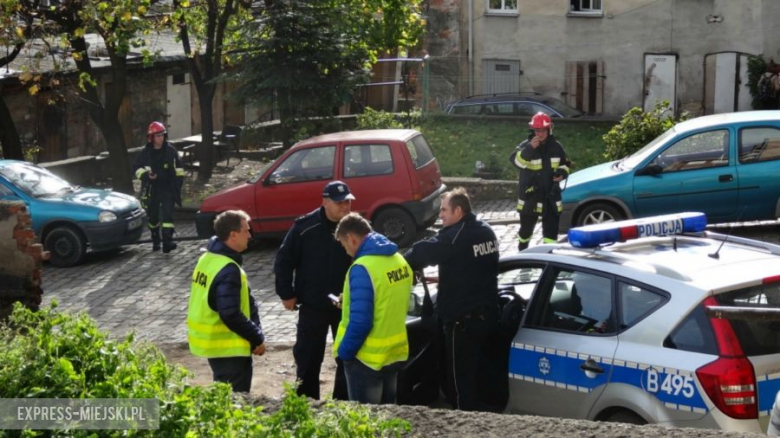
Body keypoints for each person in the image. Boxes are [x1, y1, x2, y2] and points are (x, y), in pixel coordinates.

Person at [403, 187, 500, 411]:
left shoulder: (455, 237)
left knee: (459, 383)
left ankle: (464, 423)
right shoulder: (486, 231)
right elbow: (471, 265)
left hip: (462, 322)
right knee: (478, 375)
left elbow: (419, 254)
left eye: (444, 210)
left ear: (458, 211)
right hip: (488, 314)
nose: (441, 215)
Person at [273, 180, 354, 400]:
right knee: (308, 358)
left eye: (348, 201)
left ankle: (342, 404)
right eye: (339, 203)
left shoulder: (355, 227)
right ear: (325, 202)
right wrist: (286, 293)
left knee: (347, 358)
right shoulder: (304, 228)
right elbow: (284, 260)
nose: (345, 207)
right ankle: (307, 404)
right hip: (313, 305)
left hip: (345, 306)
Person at [332, 213, 412, 404]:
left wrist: (344, 354)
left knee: (365, 424)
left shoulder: (362, 267)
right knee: (387, 420)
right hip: (393, 354)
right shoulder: (398, 259)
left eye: (344, 245)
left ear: (351, 238)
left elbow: (361, 323)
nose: (346, 252)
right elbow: (386, 299)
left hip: (366, 360)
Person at [187, 210, 265, 393]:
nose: (250, 235)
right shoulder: (228, 268)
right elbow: (230, 313)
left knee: (222, 397)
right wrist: (256, 338)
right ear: (233, 235)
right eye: (246, 231)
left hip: (213, 345)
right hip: (229, 349)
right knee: (235, 403)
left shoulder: (207, 258)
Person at [509, 112, 570, 251]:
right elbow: (516, 161)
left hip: (550, 196)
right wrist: (530, 149)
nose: (540, 134)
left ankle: (550, 257)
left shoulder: (556, 147)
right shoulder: (525, 146)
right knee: (526, 230)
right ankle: (522, 251)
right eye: (537, 130)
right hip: (531, 196)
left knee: (551, 234)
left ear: (549, 130)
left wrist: (562, 173)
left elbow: (565, 164)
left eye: (543, 130)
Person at [132, 121, 184, 253]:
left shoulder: (171, 151)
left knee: (167, 216)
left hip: (167, 188)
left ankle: (167, 242)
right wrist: (147, 176)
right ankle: (155, 239)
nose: (160, 138)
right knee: (153, 217)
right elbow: (136, 169)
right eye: (157, 136)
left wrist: (177, 185)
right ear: (151, 138)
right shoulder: (145, 153)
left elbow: (179, 169)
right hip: (152, 189)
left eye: (162, 135)